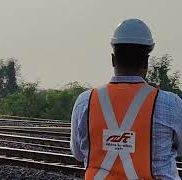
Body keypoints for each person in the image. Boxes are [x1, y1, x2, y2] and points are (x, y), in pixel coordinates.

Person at [70, 19, 182, 179]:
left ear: (113, 59)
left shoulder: (85, 101)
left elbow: (78, 154)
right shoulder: (170, 104)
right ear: (146, 62)